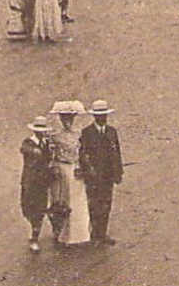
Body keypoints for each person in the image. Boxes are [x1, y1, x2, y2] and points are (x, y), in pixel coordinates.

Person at [78, 100, 124, 245]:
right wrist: (88, 169)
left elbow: (117, 152)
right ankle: (95, 233)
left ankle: (102, 233)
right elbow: (82, 153)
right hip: (93, 175)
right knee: (94, 204)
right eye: (99, 115)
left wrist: (119, 172)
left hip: (108, 175)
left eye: (104, 115)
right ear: (94, 117)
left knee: (106, 203)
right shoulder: (86, 133)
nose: (102, 118)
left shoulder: (112, 132)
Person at [47, 102, 92, 247]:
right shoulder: (54, 135)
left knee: (78, 201)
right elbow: (50, 154)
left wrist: (80, 166)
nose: (67, 121)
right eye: (64, 118)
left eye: (70, 118)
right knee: (61, 200)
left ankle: (80, 235)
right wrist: (53, 167)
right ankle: (61, 234)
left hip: (75, 169)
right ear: (60, 118)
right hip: (61, 168)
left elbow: (82, 152)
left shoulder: (78, 134)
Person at [19, 117, 55, 250]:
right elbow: (24, 149)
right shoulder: (29, 142)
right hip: (30, 181)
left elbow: (49, 159)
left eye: (43, 131)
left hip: (42, 182)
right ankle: (34, 227)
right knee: (28, 207)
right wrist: (35, 152)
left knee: (40, 209)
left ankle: (35, 236)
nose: (41, 133)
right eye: (39, 131)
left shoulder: (46, 143)